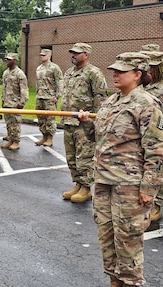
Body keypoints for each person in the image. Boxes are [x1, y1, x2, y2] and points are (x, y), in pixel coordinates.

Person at [79, 52, 163, 287]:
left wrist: (149, 188)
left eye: (121, 71)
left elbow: (156, 149)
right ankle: (114, 280)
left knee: (128, 240)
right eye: (114, 70)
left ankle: (131, 282)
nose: (114, 74)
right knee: (106, 236)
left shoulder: (147, 104)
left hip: (130, 185)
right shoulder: (110, 102)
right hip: (104, 181)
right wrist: (87, 124)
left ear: (137, 75)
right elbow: (99, 138)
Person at [61, 43, 108, 203]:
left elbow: (101, 99)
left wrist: (96, 122)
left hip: (84, 124)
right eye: (72, 53)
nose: (73, 55)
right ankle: (78, 184)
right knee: (71, 157)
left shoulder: (94, 73)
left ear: (86, 54)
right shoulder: (69, 73)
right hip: (68, 121)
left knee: (84, 157)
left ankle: (86, 188)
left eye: (76, 53)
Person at [139, 48, 163, 222]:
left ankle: (158, 204)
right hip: (144, 131)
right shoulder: (144, 85)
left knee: (158, 167)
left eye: (152, 67)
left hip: (159, 132)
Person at [35, 48, 64, 147]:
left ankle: (50, 138)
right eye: (41, 55)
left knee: (50, 119)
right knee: (41, 118)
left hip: (50, 97)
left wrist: (57, 96)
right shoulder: (39, 68)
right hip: (40, 96)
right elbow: (37, 83)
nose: (42, 57)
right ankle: (44, 136)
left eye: (43, 55)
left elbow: (60, 82)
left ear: (49, 56)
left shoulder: (54, 68)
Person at [1, 52, 28, 151]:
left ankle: (16, 141)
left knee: (15, 123)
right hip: (7, 102)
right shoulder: (6, 73)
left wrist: (22, 102)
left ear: (14, 60)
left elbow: (24, 89)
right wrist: (3, 99)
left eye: (9, 60)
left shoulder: (19, 73)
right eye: (6, 59)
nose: (7, 61)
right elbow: (4, 88)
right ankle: (10, 139)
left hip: (15, 103)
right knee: (8, 123)